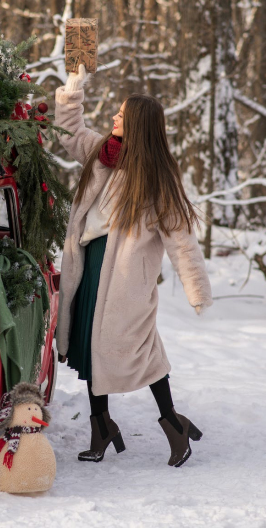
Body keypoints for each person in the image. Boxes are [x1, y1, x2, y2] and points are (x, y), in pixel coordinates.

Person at [54, 64, 212, 468]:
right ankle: (101, 426)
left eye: (121, 115)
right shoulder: (101, 151)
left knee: (140, 351)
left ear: (138, 125)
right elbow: (69, 130)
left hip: (127, 280)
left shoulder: (157, 179)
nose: (113, 118)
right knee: (90, 346)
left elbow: (181, 239)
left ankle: (172, 423)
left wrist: (197, 290)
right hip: (89, 264)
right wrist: (74, 88)